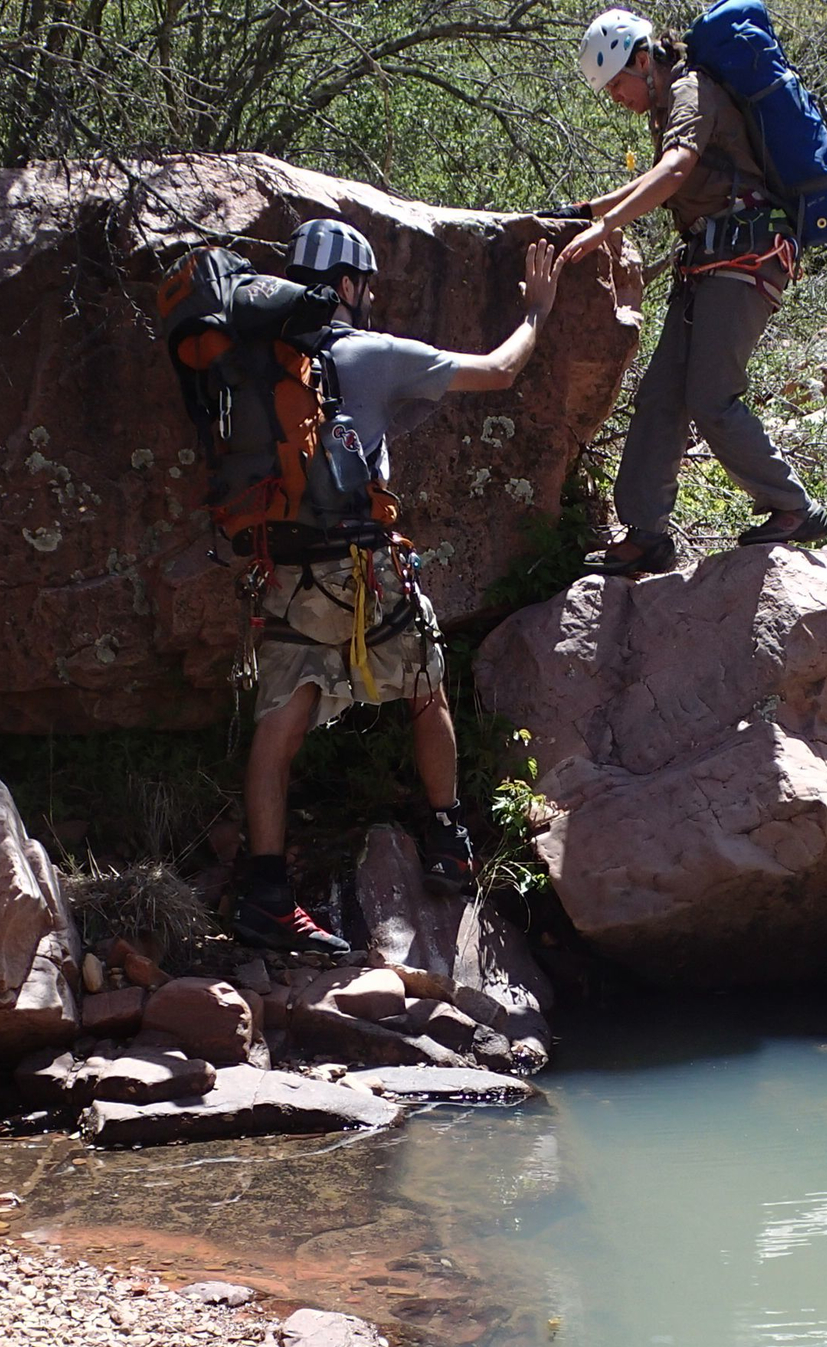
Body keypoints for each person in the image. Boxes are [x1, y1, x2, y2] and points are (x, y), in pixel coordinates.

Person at [228, 219, 562, 957]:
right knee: (425, 689)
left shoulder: (257, 360)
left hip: (283, 564)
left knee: (279, 723)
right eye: (366, 285)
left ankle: (265, 894)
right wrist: (537, 309)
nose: (370, 297)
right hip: (363, 566)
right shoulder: (368, 353)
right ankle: (447, 841)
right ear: (347, 285)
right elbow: (500, 370)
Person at [553, 7, 827, 578]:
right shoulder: (666, 106)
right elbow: (659, 179)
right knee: (659, 397)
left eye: (618, 85)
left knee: (711, 396)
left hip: (746, 254)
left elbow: (676, 172)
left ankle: (792, 507)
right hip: (708, 260)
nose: (617, 99)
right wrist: (588, 211)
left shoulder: (691, 91)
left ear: (643, 59)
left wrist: (608, 225)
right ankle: (646, 535)